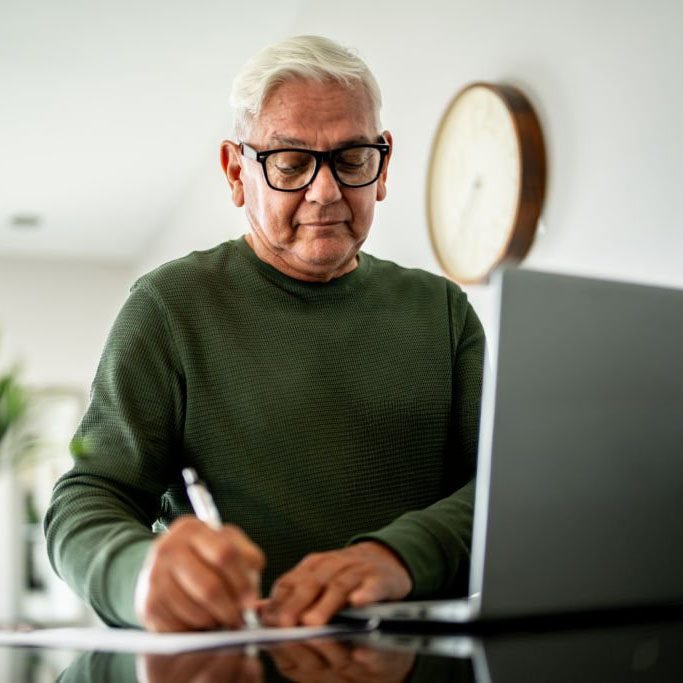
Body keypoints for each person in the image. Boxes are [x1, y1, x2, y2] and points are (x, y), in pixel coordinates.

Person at [44, 35, 485, 632]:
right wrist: (139, 575)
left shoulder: (443, 311)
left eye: (352, 159)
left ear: (383, 164)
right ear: (235, 171)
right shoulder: (168, 307)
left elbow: (502, 492)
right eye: (290, 163)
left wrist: (399, 556)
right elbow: (88, 497)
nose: (325, 192)